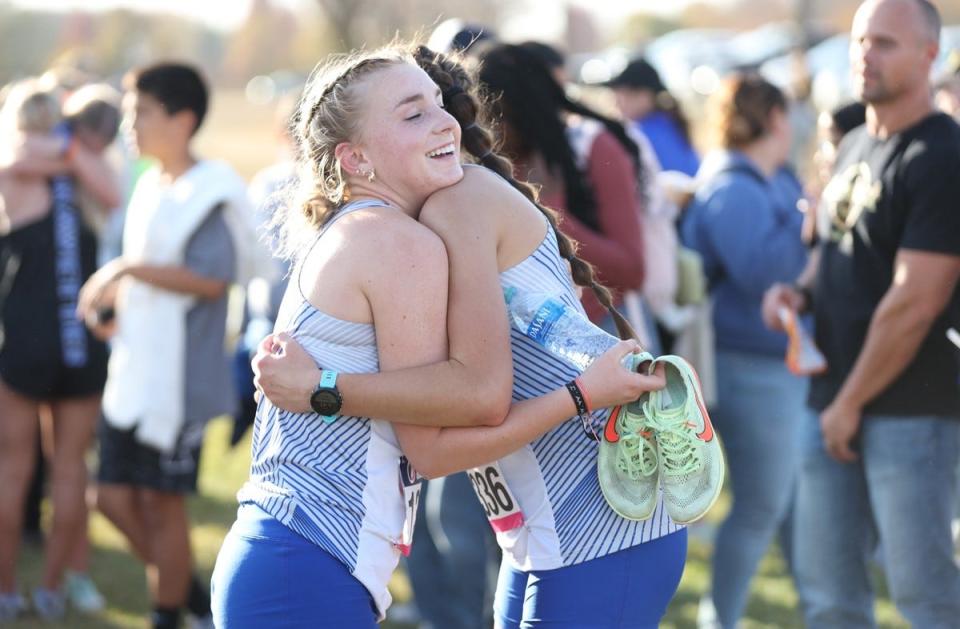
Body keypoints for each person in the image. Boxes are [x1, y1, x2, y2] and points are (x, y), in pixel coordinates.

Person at [244, 44, 694, 629]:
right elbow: (435, 436)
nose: (443, 124)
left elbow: (475, 397)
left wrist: (319, 388)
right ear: (355, 156)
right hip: (547, 529)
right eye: (412, 113)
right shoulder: (402, 226)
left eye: (438, 106)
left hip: (601, 519)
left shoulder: (456, 205)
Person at [762, 1, 960, 626]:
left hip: (912, 411)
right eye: (858, 40)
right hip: (831, 399)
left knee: (925, 596)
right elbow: (839, 248)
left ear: (930, 54)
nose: (865, 55)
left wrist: (850, 404)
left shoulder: (942, 157)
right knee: (827, 597)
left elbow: (914, 301)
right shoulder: (851, 144)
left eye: (886, 42)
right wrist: (797, 291)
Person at [76, 62, 254, 629]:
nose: (129, 123)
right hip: (133, 372)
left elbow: (210, 278)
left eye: (141, 112)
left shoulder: (212, 189)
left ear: (182, 120)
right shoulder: (151, 182)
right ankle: (193, 597)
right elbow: (153, 282)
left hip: (178, 383)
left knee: (161, 504)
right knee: (107, 498)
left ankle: (168, 612)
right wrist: (116, 313)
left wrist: (125, 270)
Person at [680, 74, 808, 629]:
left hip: (774, 365)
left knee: (790, 504)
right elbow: (767, 271)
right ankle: (720, 620)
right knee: (759, 508)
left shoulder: (770, 176)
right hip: (746, 367)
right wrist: (814, 218)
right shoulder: (733, 186)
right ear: (776, 118)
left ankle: (824, 607)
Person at [0, 80, 120, 621]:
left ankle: (8, 591)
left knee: (13, 469)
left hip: (25, 341)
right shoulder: (86, 167)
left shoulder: (19, 165)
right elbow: (114, 193)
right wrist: (72, 151)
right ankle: (51, 589)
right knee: (71, 469)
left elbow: (15, 157)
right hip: (81, 342)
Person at [476, 43, 648, 337]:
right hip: (527, 346)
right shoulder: (478, 165)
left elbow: (632, 270)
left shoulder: (593, 145)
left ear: (526, 108)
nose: (488, 127)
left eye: (496, 114)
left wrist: (549, 207)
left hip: (603, 333)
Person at [605, 58, 700, 178]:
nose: (616, 104)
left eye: (623, 95)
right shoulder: (667, 122)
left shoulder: (644, 132)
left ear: (644, 96)